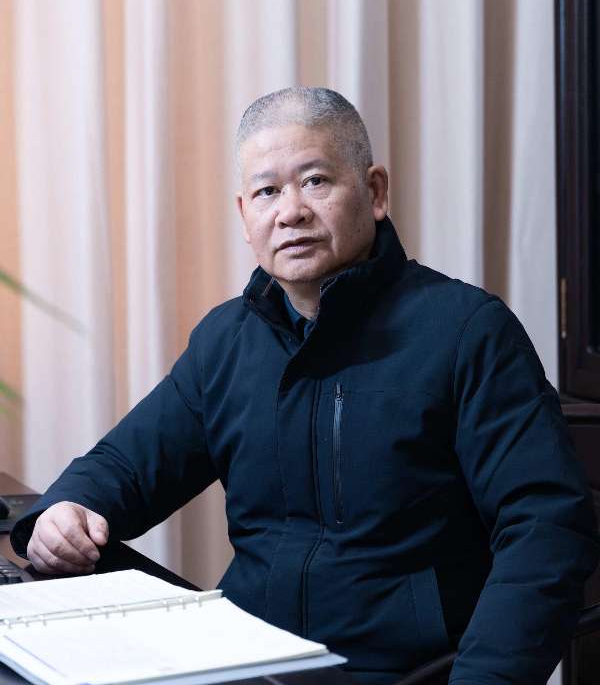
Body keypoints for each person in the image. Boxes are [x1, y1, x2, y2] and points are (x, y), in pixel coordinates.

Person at [11, 87, 599, 685]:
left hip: (395, 671)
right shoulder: (225, 340)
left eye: (315, 181)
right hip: (245, 659)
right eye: (267, 192)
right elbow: (128, 464)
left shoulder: (467, 331)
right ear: (245, 216)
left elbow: (546, 527)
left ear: (375, 192)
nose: (290, 212)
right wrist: (70, 508)